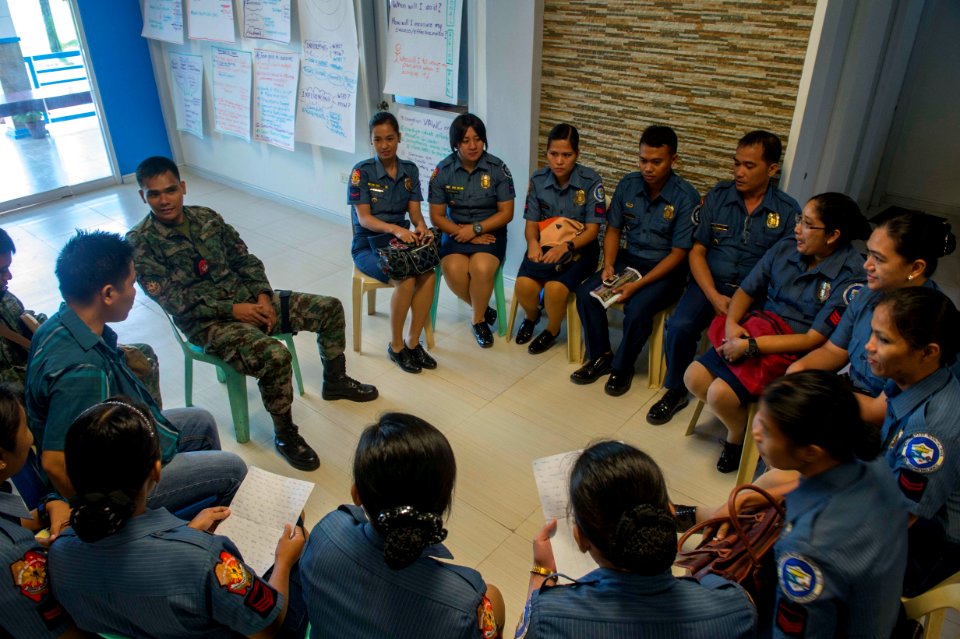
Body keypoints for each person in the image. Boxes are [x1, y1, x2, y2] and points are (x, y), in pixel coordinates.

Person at [128, 156, 378, 472]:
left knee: (328, 308)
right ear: (142, 196)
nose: (164, 200)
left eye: (171, 190)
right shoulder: (140, 243)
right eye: (154, 194)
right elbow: (173, 299)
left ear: (183, 187)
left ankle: (335, 380)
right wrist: (234, 310)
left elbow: (244, 258)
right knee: (275, 357)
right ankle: (285, 434)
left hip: (252, 303)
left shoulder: (207, 218)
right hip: (209, 324)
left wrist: (262, 295)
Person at [25, 230, 246, 513]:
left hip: (117, 449)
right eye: (131, 283)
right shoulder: (82, 371)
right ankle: (192, 543)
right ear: (107, 293)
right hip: (118, 486)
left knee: (200, 421)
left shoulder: (57, 324)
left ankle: (193, 519)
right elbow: (56, 463)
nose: (135, 292)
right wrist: (104, 516)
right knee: (232, 469)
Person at [49, 399, 305, 638]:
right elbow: (267, 628)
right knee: (298, 527)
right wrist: (284, 561)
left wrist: (187, 536)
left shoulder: (59, 553)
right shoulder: (206, 559)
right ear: (156, 471)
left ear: (72, 478)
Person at [684, 192, 868, 472]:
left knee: (719, 394)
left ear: (832, 235)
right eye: (799, 220)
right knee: (693, 377)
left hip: (791, 350)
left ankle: (737, 436)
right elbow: (747, 290)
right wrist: (733, 323)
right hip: (757, 330)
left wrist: (751, 346)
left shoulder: (850, 276)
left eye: (807, 224)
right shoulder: (785, 248)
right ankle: (744, 423)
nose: (797, 229)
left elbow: (812, 339)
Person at [516, 441, 756, 638]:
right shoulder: (736, 608)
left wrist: (540, 573)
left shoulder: (547, 618)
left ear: (580, 538)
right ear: (671, 516)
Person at [301, 413, 505, 638]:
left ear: (356, 495)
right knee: (494, 598)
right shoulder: (466, 603)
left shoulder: (325, 533)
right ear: (443, 505)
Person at [647, 131, 801, 425]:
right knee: (679, 326)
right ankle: (676, 389)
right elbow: (697, 251)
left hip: (757, 297)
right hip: (711, 287)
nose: (739, 172)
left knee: (751, 341)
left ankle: (732, 396)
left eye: (749, 166)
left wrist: (743, 304)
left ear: (772, 169)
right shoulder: (718, 197)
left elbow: (784, 269)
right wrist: (713, 296)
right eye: (736, 164)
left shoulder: (787, 210)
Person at [750, 371, 907, 638]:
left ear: (810, 452)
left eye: (766, 430)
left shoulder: (807, 547)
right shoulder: (876, 469)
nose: (755, 433)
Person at [571, 125, 699, 397]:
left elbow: (679, 254)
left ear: (673, 160)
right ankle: (601, 355)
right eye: (643, 160)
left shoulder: (685, 196)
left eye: (656, 162)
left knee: (638, 309)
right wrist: (608, 265)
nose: (648, 168)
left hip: (666, 270)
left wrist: (637, 286)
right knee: (587, 293)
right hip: (630, 260)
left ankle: (622, 366)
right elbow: (614, 230)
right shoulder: (628, 185)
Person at [859, 287, 960, 597]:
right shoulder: (914, 375)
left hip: (927, 538)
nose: (869, 346)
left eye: (884, 340)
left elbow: (898, 518)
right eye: (873, 334)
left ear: (928, 352)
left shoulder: (930, 435)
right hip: (892, 490)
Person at [789, 212, 958, 395]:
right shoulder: (868, 292)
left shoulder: (931, 321)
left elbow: (887, 408)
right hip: (849, 394)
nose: (866, 265)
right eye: (868, 253)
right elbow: (834, 351)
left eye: (878, 259)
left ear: (915, 268)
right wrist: (796, 371)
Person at [0, 227, 163, 406]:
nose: (9, 276)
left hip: (41, 369)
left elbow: (25, 320)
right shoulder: (78, 372)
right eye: (1, 271)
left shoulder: (4, 296)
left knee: (141, 354)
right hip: (20, 402)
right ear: (108, 294)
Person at [349, 112, 437, 373]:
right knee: (407, 279)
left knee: (429, 274)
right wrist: (397, 230)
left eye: (389, 138)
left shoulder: (409, 170)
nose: (384, 145)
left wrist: (421, 228)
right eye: (378, 140)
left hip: (401, 242)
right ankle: (396, 346)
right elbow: (364, 219)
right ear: (371, 141)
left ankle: (412, 343)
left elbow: (415, 214)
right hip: (369, 244)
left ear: (399, 138)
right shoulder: (361, 172)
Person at [512, 123, 605, 355]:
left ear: (577, 155)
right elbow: (531, 223)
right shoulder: (538, 179)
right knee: (523, 285)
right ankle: (532, 318)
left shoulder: (590, 181)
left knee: (554, 289)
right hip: (544, 244)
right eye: (554, 154)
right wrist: (532, 243)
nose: (559, 161)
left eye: (567, 155)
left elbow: (593, 231)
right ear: (547, 153)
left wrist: (567, 246)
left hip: (579, 249)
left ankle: (552, 330)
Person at [0, 386, 85, 638]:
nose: (31, 438)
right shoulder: (15, 557)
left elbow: (14, 524)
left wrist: (50, 506)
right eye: (25, 428)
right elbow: (61, 634)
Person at [429, 113, 515, 348]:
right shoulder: (443, 170)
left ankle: (478, 320)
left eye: (477, 139)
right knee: (453, 269)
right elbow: (436, 216)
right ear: (456, 143)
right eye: (465, 140)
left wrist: (475, 230)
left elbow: (506, 213)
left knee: (481, 267)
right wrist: (462, 232)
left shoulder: (498, 169)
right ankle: (483, 308)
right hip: (455, 230)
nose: (473, 145)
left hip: (490, 231)